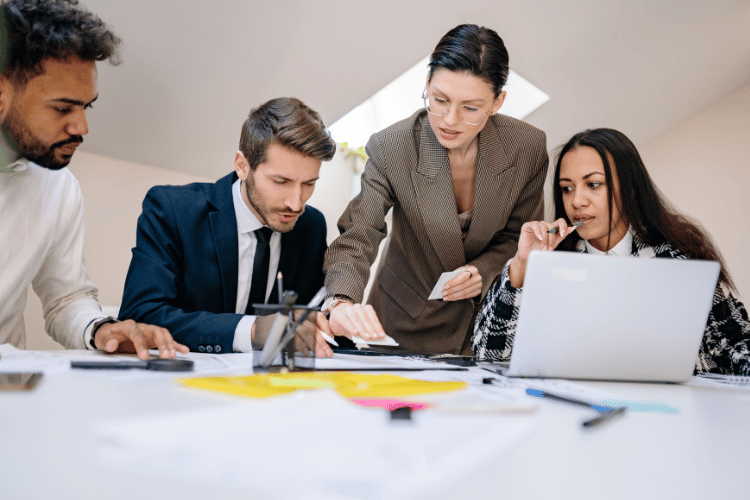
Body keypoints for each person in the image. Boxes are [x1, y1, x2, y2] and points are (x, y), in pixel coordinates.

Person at [322, 24, 548, 354]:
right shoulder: (391, 147)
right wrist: (340, 301)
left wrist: (481, 271)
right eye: (439, 99)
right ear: (426, 84)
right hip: (400, 324)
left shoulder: (527, 147)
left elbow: (519, 237)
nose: (449, 120)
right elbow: (359, 233)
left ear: (498, 102)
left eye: (470, 108)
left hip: (483, 325)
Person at [473, 128, 750, 375]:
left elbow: (736, 343)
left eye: (593, 185)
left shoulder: (679, 258)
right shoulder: (549, 264)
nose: (576, 201)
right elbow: (489, 354)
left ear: (630, 188)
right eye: (567, 189)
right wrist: (522, 264)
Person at [0, 0, 187, 359]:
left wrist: (102, 329)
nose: (82, 128)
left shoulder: (58, 186)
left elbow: (66, 298)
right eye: (62, 108)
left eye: (87, 107)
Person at [118, 97, 338, 357]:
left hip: (277, 390)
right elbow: (140, 314)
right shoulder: (172, 210)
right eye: (281, 181)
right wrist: (252, 330)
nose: (296, 203)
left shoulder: (311, 226)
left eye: (309, 184)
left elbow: (311, 320)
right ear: (242, 166)